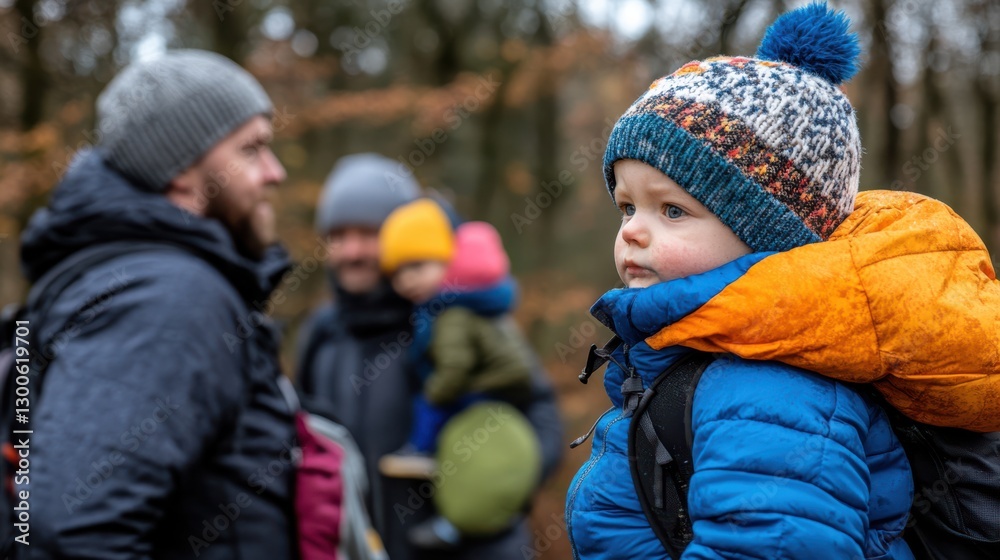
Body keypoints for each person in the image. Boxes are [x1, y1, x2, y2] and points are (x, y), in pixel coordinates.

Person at [567, 5, 923, 559]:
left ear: (768, 237)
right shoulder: (689, 357)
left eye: (672, 210)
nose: (632, 231)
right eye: (628, 206)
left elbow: (771, 545)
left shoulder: (773, 391)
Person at [19, 50, 298, 558]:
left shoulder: (144, 281)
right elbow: (74, 533)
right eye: (251, 149)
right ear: (181, 169)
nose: (275, 172)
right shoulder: (170, 300)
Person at [296, 153, 563, 560]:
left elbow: (542, 418)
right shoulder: (321, 334)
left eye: (368, 234)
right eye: (338, 236)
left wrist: (495, 494)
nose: (352, 251)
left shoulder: (459, 317)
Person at [375, 200, 539, 549]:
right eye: (396, 273)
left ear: (447, 262)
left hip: (489, 387)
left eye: (417, 266)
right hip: (500, 384)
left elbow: (454, 366)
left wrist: (437, 392)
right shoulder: (468, 307)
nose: (406, 280)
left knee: (438, 417)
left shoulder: (450, 316)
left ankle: (420, 450)